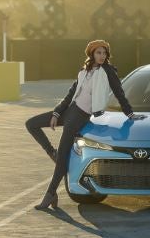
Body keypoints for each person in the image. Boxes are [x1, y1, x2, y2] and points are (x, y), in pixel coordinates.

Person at [25, 40, 143, 210]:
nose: (102, 56)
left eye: (104, 53)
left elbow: (119, 92)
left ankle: (50, 194)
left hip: (80, 116)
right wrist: (57, 112)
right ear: (92, 54)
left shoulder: (108, 71)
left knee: (63, 157)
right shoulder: (84, 70)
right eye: (98, 53)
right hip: (69, 111)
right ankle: (53, 153)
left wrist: (130, 113)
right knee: (31, 124)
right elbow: (71, 93)